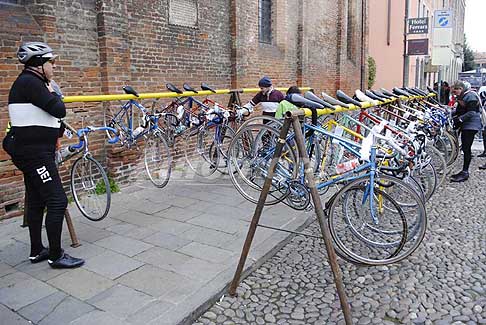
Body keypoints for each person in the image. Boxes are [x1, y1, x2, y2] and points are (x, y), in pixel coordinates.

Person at [3, 42, 84, 268]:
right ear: (39, 64)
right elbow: (59, 109)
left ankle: (37, 250)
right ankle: (56, 255)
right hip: (35, 155)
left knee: (37, 201)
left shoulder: (31, 82)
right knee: (57, 201)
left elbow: (49, 117)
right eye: (51, 62)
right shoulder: (32, 83)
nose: (54, 67)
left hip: (34, 152)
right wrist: (55, 93)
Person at [449, 80, 482, 182]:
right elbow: (462, 109)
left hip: (471, 125)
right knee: (465, 147)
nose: (454, 94)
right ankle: (464, 171)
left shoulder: (470, 96)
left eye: (455, 92)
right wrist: (449, 111)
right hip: (468, 125)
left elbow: (472, 112)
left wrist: (459, 119)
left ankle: (465, 172)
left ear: (461, 89)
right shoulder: (465, 95)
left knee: (466, 148)